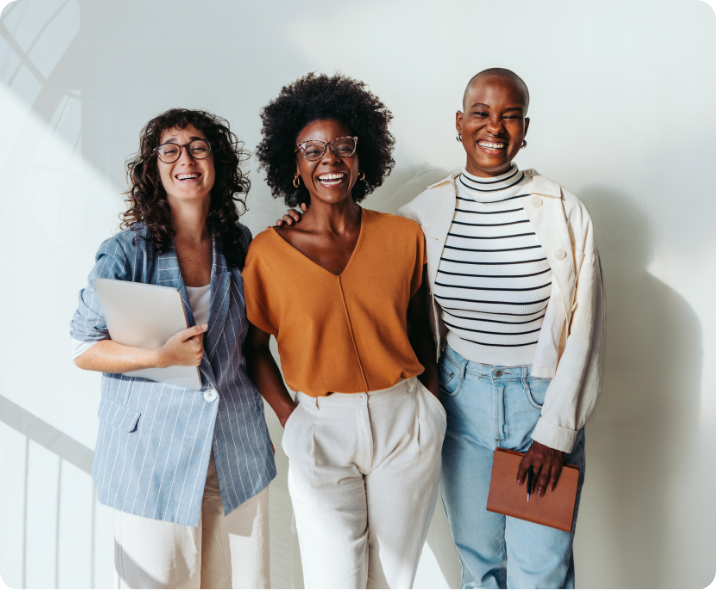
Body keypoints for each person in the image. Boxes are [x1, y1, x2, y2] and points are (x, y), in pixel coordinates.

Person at [396, 69, 605, 589]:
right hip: (461, 400)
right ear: (460, 123)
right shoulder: (423, 213)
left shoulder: (563, 211)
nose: (495, 127)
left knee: (541, 572)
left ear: (526, 127)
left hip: (540, 401)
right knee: (480, 567)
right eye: (482, 114)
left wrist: (555, 433)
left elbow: (586, 330)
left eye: (510, 116)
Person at [243, 73, 447, 590]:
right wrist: (292, 419)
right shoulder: (268, 254)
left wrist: (429, 401)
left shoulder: (404, 236)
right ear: (293, 165)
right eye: (311, 149)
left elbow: (422, 329)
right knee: (335, 578)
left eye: (342, 146)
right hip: (319, 426)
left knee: (392, 578)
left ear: (362, 156)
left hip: (404, 422)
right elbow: (254, 350)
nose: (328, 159)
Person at [70, 109, 275, 590]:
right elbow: (82, 347)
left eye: (199, 146)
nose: (186, 158)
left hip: (236, 454)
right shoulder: (125, 252)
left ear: (216, 161)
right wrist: (158, 358)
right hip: (152, 463)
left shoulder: (239, 243)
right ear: (155, 169)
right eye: (170, 150)